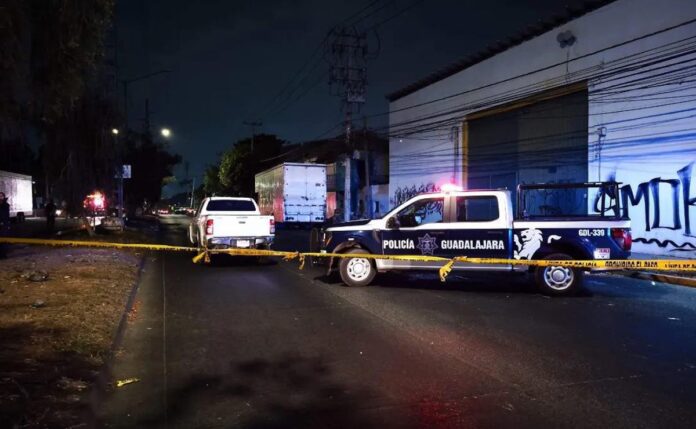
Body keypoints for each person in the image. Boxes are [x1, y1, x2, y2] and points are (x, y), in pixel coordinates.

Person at [0, 192, 10, 258]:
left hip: (4, 224)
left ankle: (3, 254)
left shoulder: (6, 205)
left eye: (1, 196)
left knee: (3, 239)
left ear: (3, 197)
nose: (0, 197)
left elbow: (6, 215)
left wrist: (7, 224)